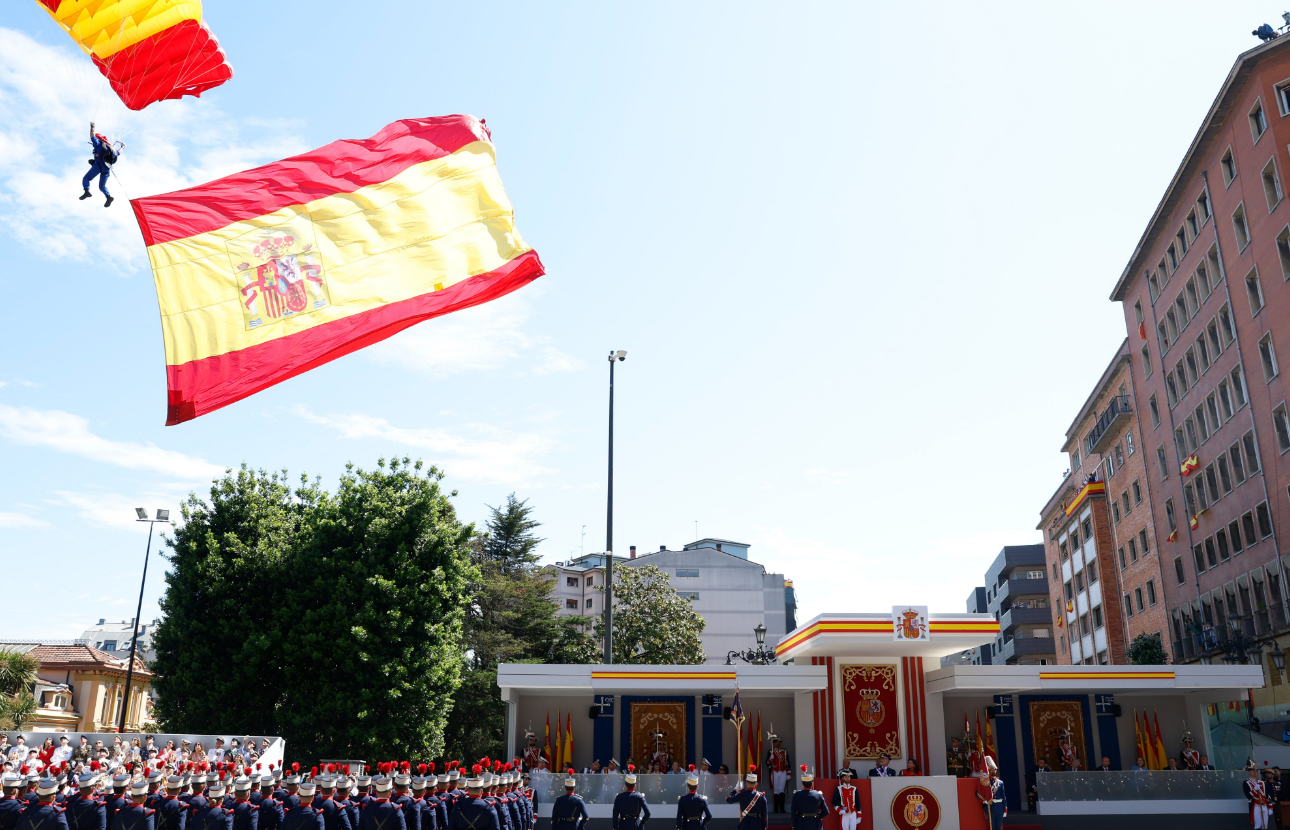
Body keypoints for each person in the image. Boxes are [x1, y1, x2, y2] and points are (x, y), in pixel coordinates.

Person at [80, 122, 122, 208]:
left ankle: (86, 191)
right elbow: (119, 152)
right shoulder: (111, 148)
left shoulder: (98, 143)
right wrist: (123, 146)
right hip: (107, 169)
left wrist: (92, 127)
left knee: (86, 178)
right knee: (102, 186)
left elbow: (92, 136)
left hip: (99, 166)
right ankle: (108, 197)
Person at [611, 765, 649, 830]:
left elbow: (615, 815)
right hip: (636, 824)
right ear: (635, 785)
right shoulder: (639, 796)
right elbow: (648, 812)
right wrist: (642, 822)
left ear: (625, 785)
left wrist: (615, 827)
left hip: (623, 825)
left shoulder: (619, 797)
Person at [977, 760, 1006, 830]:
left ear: (996, 771)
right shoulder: (986, 782)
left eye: (994, 770)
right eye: (991, 770)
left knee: (999, 827)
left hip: (999, 808)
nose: (993, 772)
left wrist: (1005, 809)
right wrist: (984, 801)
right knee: (992, 827)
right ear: (988, 771)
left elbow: (1003, 797)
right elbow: (978, 793)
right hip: (990, 807)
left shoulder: (1000, 783)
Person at [765, 736, 789, 814]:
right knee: (776, 790)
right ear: (774, 743)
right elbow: (767, 763)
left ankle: (782, 809)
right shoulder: (771, 751)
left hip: (783, 771)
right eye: (776, 743)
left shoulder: (784, 751)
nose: (778, 744)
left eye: (779, 743)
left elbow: (788, 762)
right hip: (774, 771)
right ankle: (776, 809)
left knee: (782, 790)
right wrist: (770, 759)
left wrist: (789, 773)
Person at [1247, 766, 1273, 830]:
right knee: (1257, 824)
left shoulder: (1262, 782)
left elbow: (1267, 795)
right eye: (1252, 771)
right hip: (1255, 804)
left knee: (1265, 824)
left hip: (1264, 804)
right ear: (1249, 772)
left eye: (1255, 771)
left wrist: (1270, 807)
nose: (1254, 772)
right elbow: (1248, 795)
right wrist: (1255, 790)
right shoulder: (1247, 783)